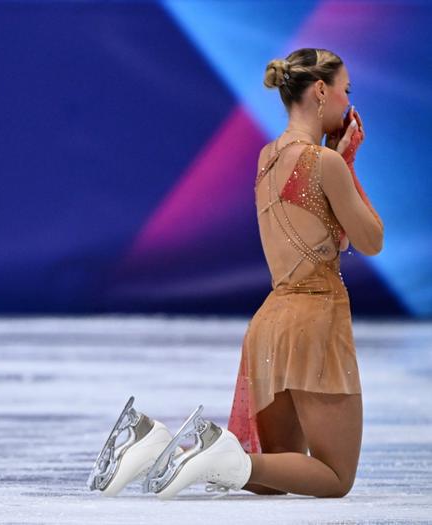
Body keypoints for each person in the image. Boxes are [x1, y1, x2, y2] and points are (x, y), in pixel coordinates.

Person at [87, 48, 384, 499]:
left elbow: (332, 233)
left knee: (267, 476)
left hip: (269, 328)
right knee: (334, 477)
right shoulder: (325, 165)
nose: (349, 103)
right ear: (321, 90)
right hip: (315, 322)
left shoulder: (267, 159)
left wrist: (337, 160)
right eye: (346, 90)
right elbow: (370, 240)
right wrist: (347, 163)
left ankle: (154, 444)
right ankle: (200, 454)